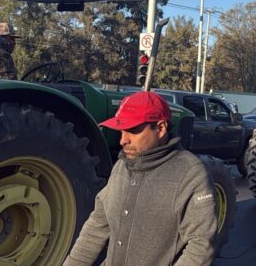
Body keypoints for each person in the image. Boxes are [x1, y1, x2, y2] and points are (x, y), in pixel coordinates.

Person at [63, 91, 218, 266]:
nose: (123, 140)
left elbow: (201, 245)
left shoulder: (190, 174)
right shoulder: (122, 166)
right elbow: (98, 224)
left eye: (132, 131)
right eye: (121, 130)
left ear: (160, 128)